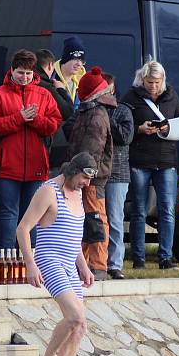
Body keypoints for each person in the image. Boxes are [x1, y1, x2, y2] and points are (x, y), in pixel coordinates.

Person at [16, 152, 96, 356]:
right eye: (84, 178)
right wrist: (30, 264)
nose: (87, 184)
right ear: (73, 171)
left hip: (69, 262)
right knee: (74, 316)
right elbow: (23, 228)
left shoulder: (79, 191)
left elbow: (73, 234)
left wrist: (83, 265)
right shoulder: (49, 191)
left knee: (80, 326)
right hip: (48, 259)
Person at [0, 49, 61, 250]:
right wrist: (19, 118)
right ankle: (5, 260)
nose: (24, 77)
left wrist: (34, 119)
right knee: (8, 213)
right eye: (20, 73)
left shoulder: (44, 94)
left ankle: (29, 259)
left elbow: (53, 125)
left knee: (32, 213)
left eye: (28, 73)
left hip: (35, 166)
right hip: (5, 166)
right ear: (12, 70)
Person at [121, 60, 179, 270]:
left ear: (163, 80)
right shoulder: (131, 97)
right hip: (140, 160)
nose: (153, 86)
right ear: (142, 78)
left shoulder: (172, 96)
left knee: (167, 210)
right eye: (150, 82)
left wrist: (167, 130)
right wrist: (139, 129)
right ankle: (138, 258)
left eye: (157, 82)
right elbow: (122, 126)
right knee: (139, 210)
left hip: (166, 161)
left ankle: (165, 257)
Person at [67, 66, 115, 281]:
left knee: (95, 219)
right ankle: (84, 263)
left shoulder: (96, 115)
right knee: (85, 219)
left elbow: (93, 150)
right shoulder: (89, 112)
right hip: (86, 175)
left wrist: (85, 175)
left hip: (92, 178)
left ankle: (98, 265)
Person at [102, 72, 135, 280]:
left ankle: (115, 264)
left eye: (108, 88)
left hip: (117, 173)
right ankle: (94, 261)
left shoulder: (123, 111)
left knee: (115, 219)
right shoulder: (89, 109)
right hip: (95, 173)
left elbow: (125, 137)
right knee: (95, 220)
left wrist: (107, 118)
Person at [34, 48, 74, 171]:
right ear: (51, 65)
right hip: (49, 147)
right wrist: (62, 90)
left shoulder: (28, 83)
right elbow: (68, 112)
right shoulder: (47, 87)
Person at [51, 37, 86, 110]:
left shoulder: (83, 83)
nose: (79, 64)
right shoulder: (50, 79)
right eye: (75, 59)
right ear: (65, 59)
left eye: (82, 60)